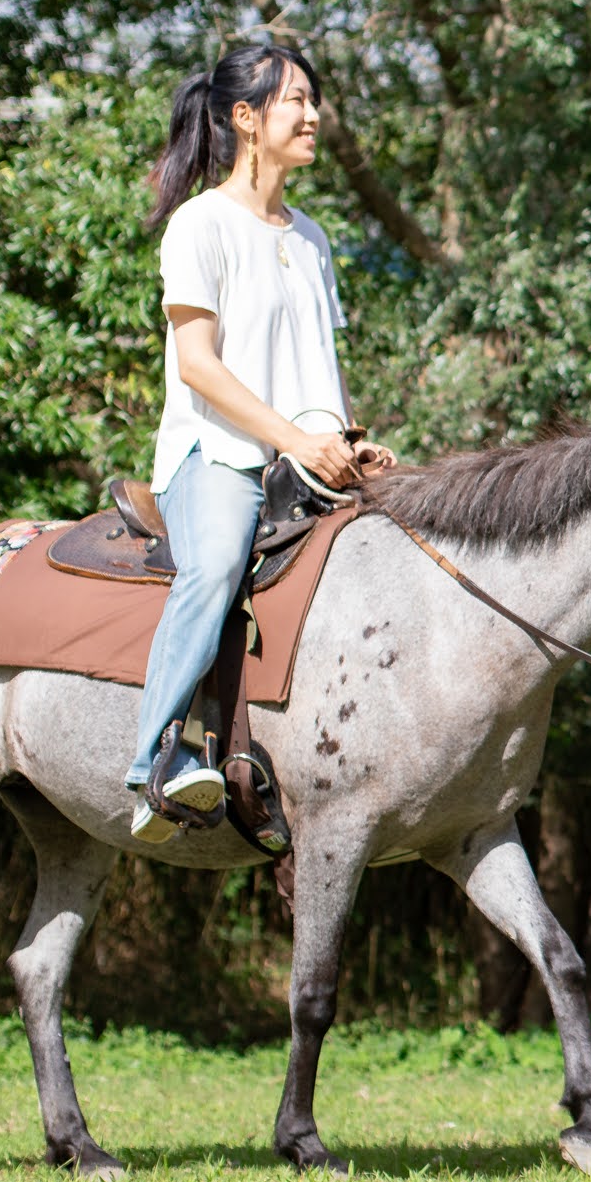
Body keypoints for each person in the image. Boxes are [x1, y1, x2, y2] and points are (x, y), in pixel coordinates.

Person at [127, 44, 390, 846]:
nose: (313, 116)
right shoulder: (199, 225)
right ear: (246, 118)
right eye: (296, 101)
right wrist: (292, 443)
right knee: (212, 570)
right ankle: (154, 764)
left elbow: (321, 365)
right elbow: (199, 368)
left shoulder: (310, 237)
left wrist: (350, 441)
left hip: (307, 459)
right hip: (220, 457)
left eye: (314, 101)